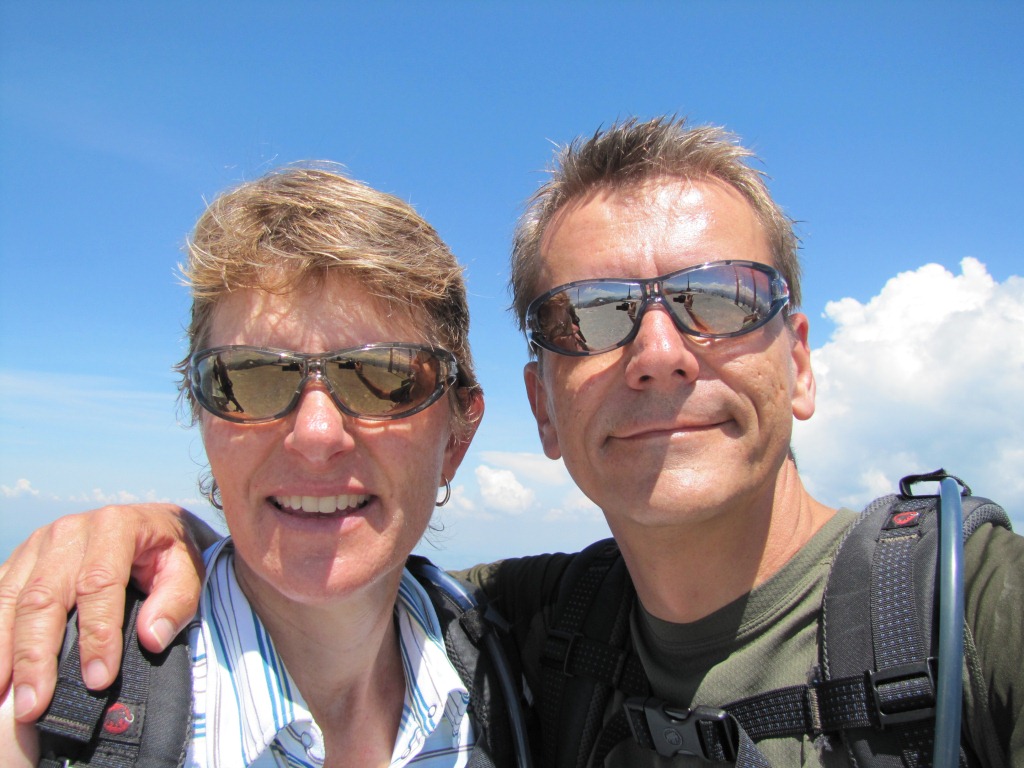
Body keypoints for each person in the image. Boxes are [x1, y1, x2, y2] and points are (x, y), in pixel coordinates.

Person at [2, 118, 1021, 766]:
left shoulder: (968, 613)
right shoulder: (525, 637)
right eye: (594, 316)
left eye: (719, 298)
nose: (659, 354)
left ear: (798, 362)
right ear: (541, 406)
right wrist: (151, 537)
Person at [0, 164, 536, 767]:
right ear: (203, 417)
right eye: (251, 378)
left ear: (456, 438)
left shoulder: (521, 662)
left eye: (384, 377)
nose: (316, 434)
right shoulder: (50, 710)